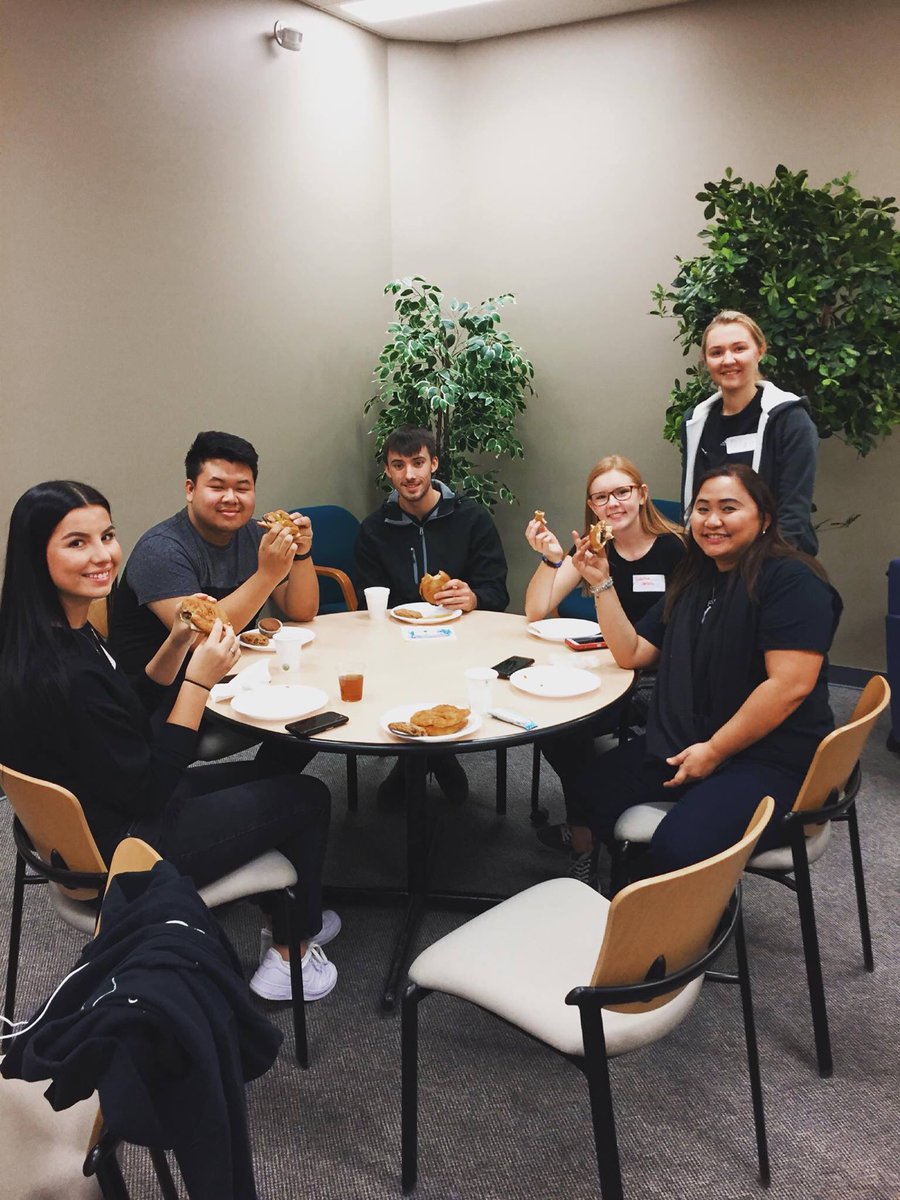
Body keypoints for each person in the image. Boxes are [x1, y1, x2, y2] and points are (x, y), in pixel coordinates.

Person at [0, 481, 340, 1002]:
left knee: (273, 778)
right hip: (128, 845)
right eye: (76, 542)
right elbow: (155, 784)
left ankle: (296, 908)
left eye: (107, 535)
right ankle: (291, 954)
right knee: (309, 798)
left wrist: (178, 643)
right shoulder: (67, 673)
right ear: (35, 553)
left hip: (95, 816)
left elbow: (125, 709)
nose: (102, 555)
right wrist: (197, 682)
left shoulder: (58, 631)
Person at [565, 463, 841, 880]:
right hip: (688, 740)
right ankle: (634, 881)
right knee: (591, 789)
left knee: (678, 845)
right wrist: (601, 583)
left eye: (729, 508)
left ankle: (670, 919)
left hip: (771, 757)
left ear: (763, 518)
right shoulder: (695, 578)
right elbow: (632, 652)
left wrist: (714, 751)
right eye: (702, 508)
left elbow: (790, 685)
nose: (712, 520)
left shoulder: (791, 580)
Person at [523, 455, 685, 880]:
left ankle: (585, 831)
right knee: (554, 722)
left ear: (642, 494)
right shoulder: (596, 550)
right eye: (600, 497)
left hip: (658, 681)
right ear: (592, 506)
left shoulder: (679, 549)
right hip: (609, 671)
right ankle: (587, 830)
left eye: (622, 492)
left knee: (571, 725)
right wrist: (552, 559)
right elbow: (537, 611)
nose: (612, 503)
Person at [355, 425, 510, 802]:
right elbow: (367, 600)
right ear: (388, 472)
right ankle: (433, 761)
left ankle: (424, 761)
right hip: (396, 642)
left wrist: (473, 597)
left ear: (434, 464)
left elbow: (498, 591)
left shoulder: (472, 518)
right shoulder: (374, 530)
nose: (410, 474)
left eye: (418, 462)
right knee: (396, 675)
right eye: (399, 465)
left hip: (464, 639)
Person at [110, 430, 318, 681]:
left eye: (243, 488)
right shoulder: (161, 549)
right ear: (190, 489)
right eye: (217, 487)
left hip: (232, 676)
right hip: (158, 694)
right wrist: (267, 575)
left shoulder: (255, 534)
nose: (231, 498)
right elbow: (200, 638)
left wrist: (301, 554)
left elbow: (302, 611)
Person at [679, 309, 820, 555]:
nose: (728, 360)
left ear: (760, 351)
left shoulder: (790, 419)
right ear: (706, 360)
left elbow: (794, 512)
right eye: (717, 352)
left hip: (776, 561)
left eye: (739, 349)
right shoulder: (695, 422)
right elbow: (693, 505)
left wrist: (765, 571)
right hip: (715, 564)